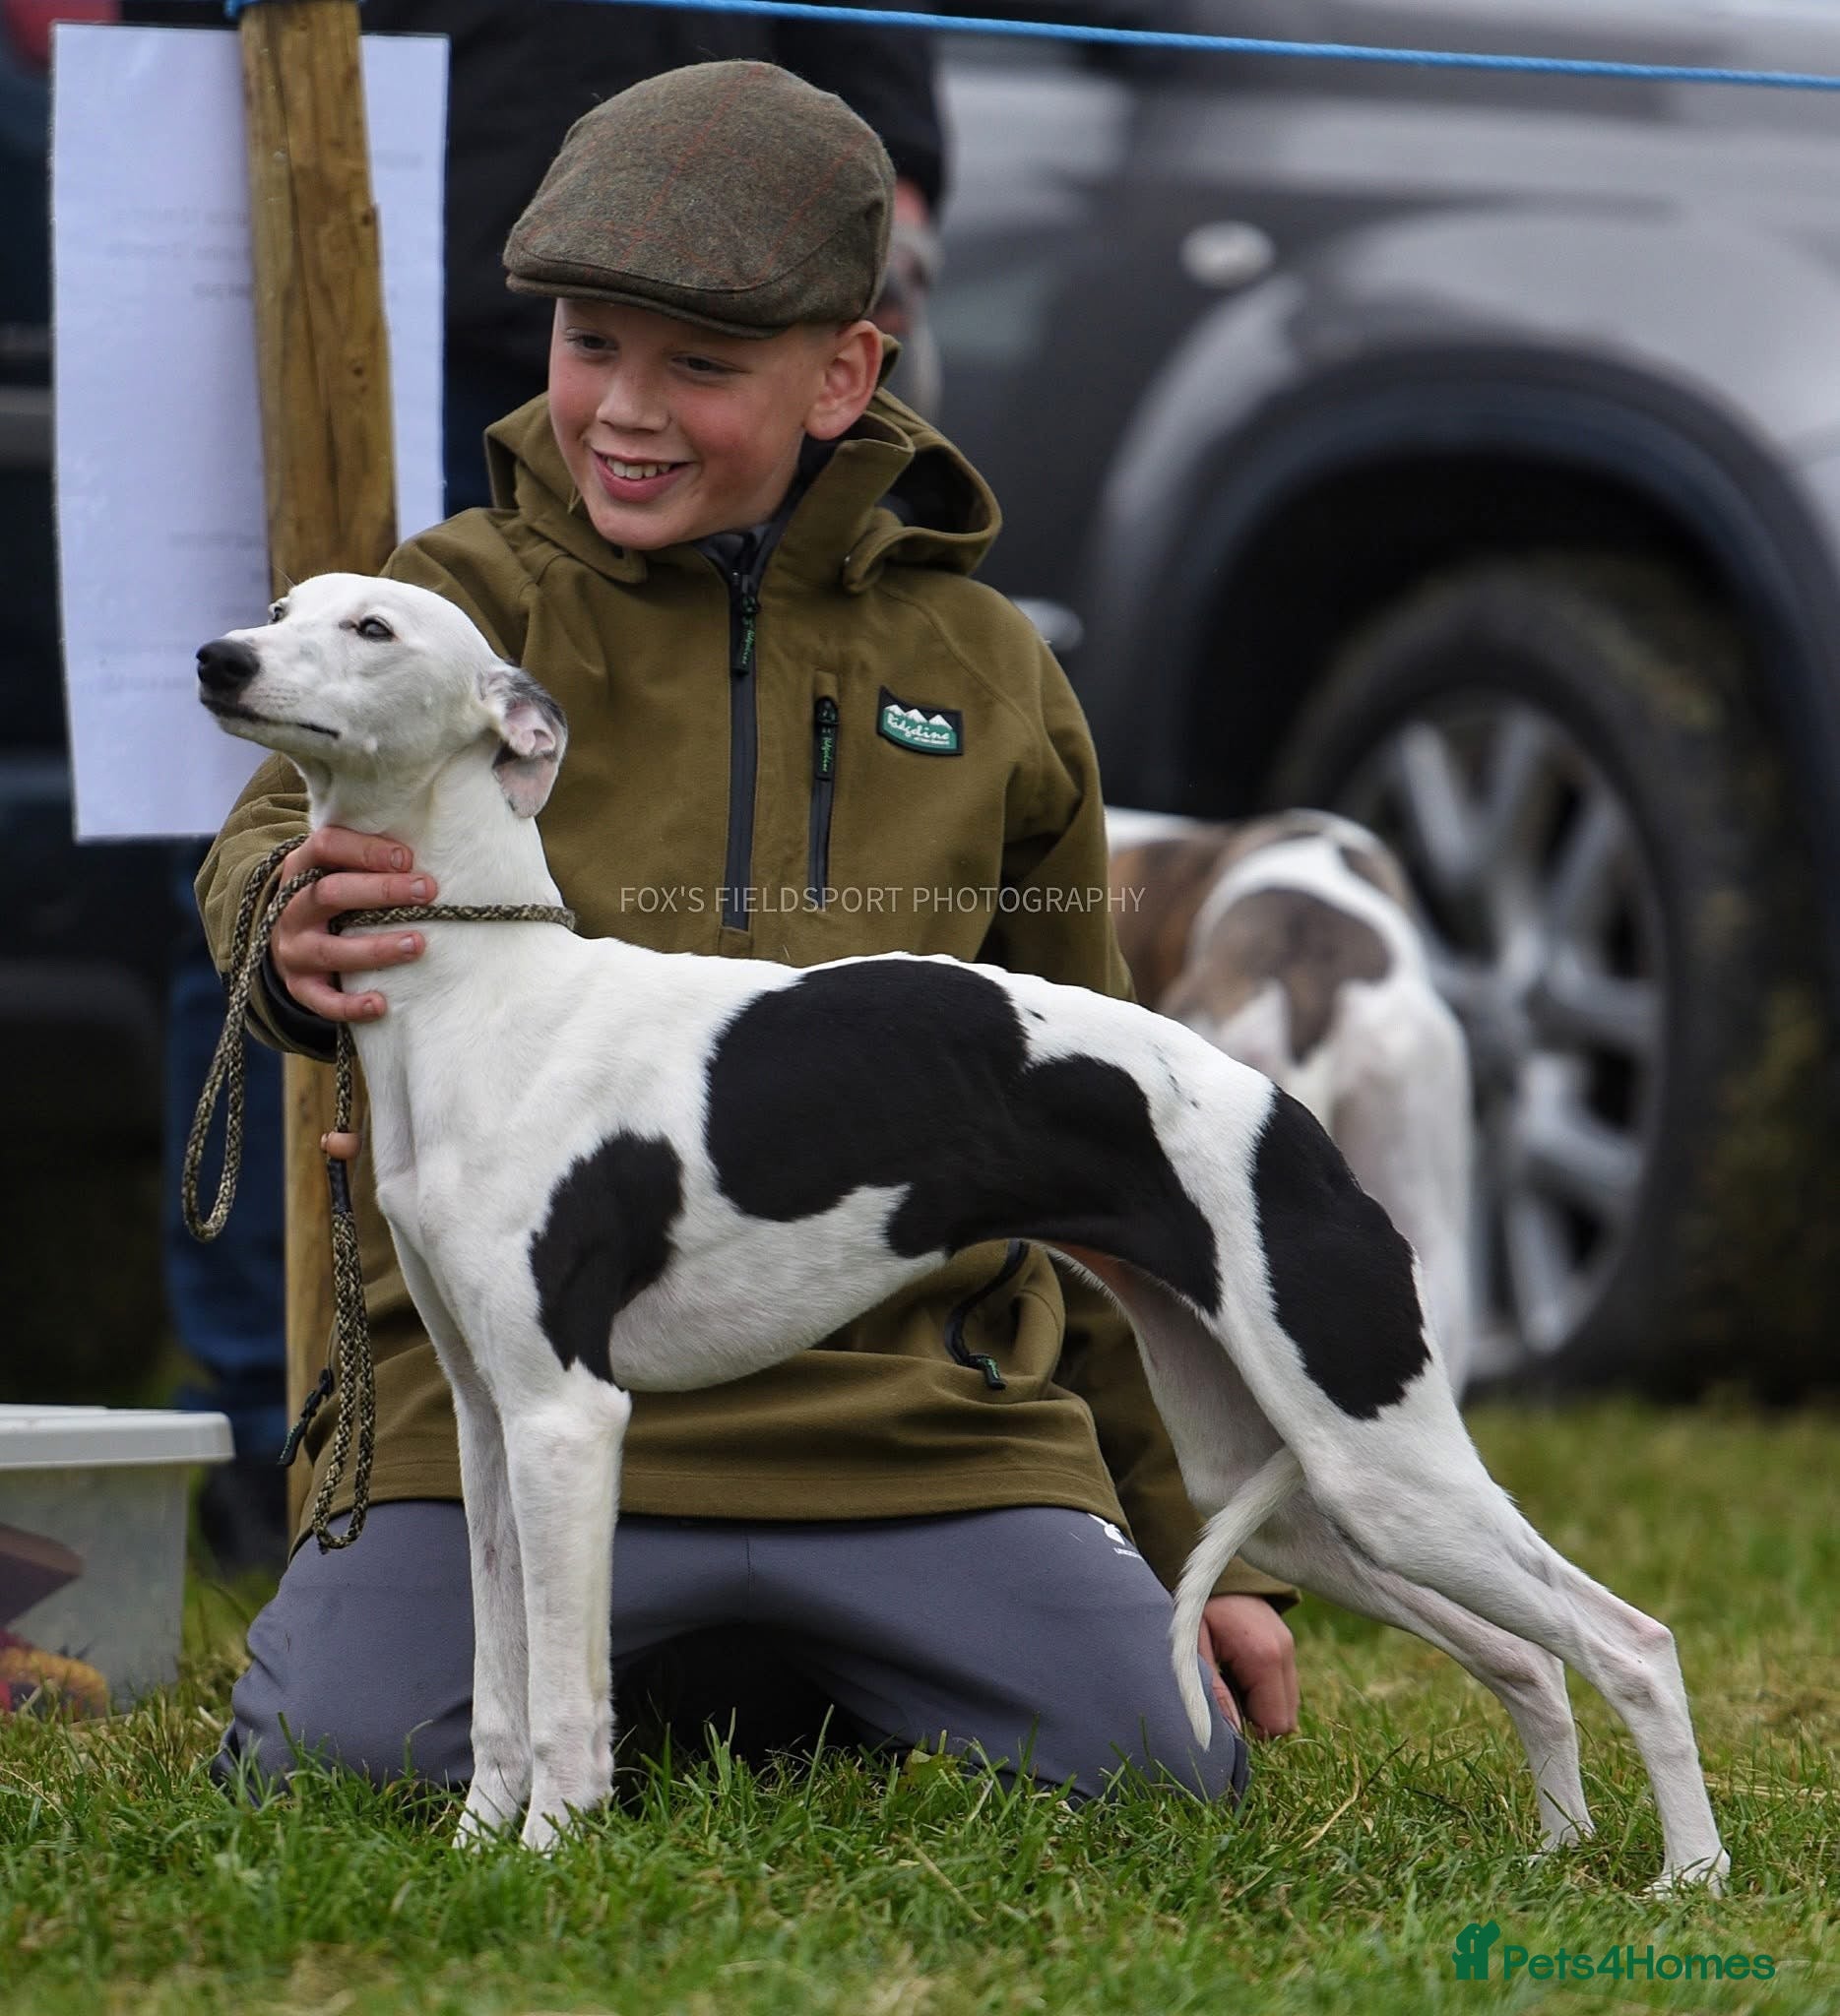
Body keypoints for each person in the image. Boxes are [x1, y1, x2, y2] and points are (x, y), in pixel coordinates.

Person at [197, 60, 1299, 1806]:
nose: (625, 409)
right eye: (589, 344)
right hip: (491, 1408)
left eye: (701, 366)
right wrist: (282, 924)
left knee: (1165, 1773)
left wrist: (1188, 1546)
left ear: (844, 373)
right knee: (336, 1766)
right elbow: (271, 836)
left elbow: (1104, 1137)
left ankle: (792, 1659)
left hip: (915, 1435)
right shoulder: (448, 601)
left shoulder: (989, 668)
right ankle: (715, 1675)